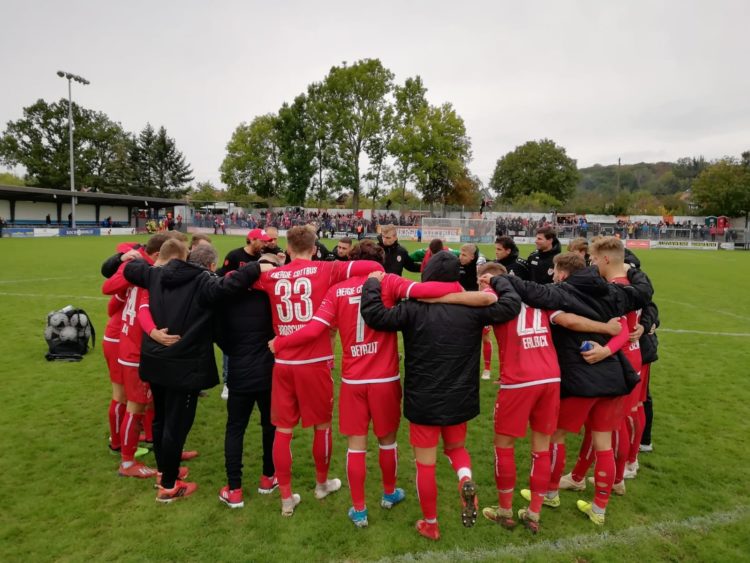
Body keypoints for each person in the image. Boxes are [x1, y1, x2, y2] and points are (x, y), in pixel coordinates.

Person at [268, 240, 482, 528]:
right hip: (385, 379)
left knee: (356, 446)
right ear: (379, 260)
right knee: (387, 442)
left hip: (353, 380)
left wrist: (281, 342)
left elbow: (315, 329)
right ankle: (389, 493)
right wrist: (465, 294)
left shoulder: (335, 290)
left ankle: (359, 510)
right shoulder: (389, 282)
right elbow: (426, 290)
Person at [361, 251, 522, 541]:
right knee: (456, 448)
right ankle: (465, 479)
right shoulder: (472, 307)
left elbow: (375, 315)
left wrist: (372, 284)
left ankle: (431, 523)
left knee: (426, 464)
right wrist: (499, 281)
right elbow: (511, 305)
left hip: (423, 397)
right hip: (459, 396)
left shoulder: (413, 307)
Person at [494, 252, 652, 526]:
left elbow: (565, 317)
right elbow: (627, 323)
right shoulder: (612, 292)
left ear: (564, 274)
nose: (553, 275)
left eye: (555, 270)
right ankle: (599, 509)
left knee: (555, 436)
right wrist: (607, 348)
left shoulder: (562, 293)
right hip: (614, 376)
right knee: (603, 442)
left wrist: (501, 280)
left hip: (582, 376)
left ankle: (551, 492)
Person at [123, 240, 271, 502]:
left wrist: (125, 257)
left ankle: (165, 471)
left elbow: (126, 268)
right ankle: (169, 486)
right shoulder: (202, 281)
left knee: (161, 419)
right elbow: (231, 284)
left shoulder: (153, 273)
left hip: (156, 361)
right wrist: (257, 268)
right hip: (183, 365)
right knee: (175, 424)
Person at [252, 226, 385, 517]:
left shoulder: (270, 276)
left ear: (287, 248)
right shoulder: (325, 269)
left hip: (284, 362)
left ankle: (286, 498)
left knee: (283, 430)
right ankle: (321, 484)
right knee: (321, 425)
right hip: (315, 361)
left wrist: (265, 264)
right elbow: (373, 265)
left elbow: (240, 279)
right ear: (314, 248)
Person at [213, 248, 282, 508]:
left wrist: (235, 352)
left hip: (243, 370)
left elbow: (218, 333)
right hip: (265, 370)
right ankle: (266, 477)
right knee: (268, 425)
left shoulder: (230, 296)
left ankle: (236, 489)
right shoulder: (271, 297)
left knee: (237, 429)